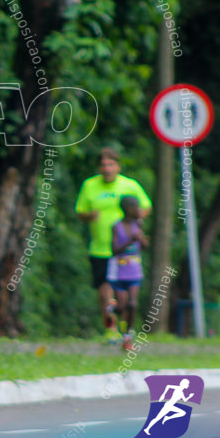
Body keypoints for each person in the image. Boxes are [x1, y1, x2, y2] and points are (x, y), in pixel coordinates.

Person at [75, 148, 151, 343]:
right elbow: (80, 212)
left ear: (117, 166)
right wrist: (90, 216)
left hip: (124, 253)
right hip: (100, 249)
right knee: (104, 292)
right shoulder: (90, 186)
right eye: (103, 165)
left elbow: (145, 206)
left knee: (124, 295)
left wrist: (137, 223)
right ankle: (111, 329)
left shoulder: (129, 185)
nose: (107, 168)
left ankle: (126, 329)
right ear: (99, 168)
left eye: (110, 164)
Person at [109, 195, 148, 351]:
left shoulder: (139, 225)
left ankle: (127, 336)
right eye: (136, 207)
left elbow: (144, 247)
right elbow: (114, 250)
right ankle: (113, 311)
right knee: (121, 307)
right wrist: (130, 241)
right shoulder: (116, 227)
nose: (139, 210)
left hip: (134, 271)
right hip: (120, 270)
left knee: (132, 304)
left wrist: (142, 240)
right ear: (128, 209)